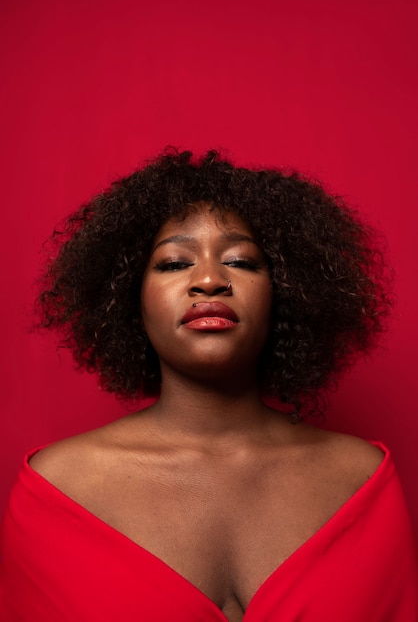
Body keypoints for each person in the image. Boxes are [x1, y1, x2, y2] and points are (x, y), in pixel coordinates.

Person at [0, 149, 417, 621]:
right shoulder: (58, 490)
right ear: (128, 301)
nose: (209, 280)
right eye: (174, 264)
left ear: (288, 293)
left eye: (242, 261)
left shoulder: (361, 482)